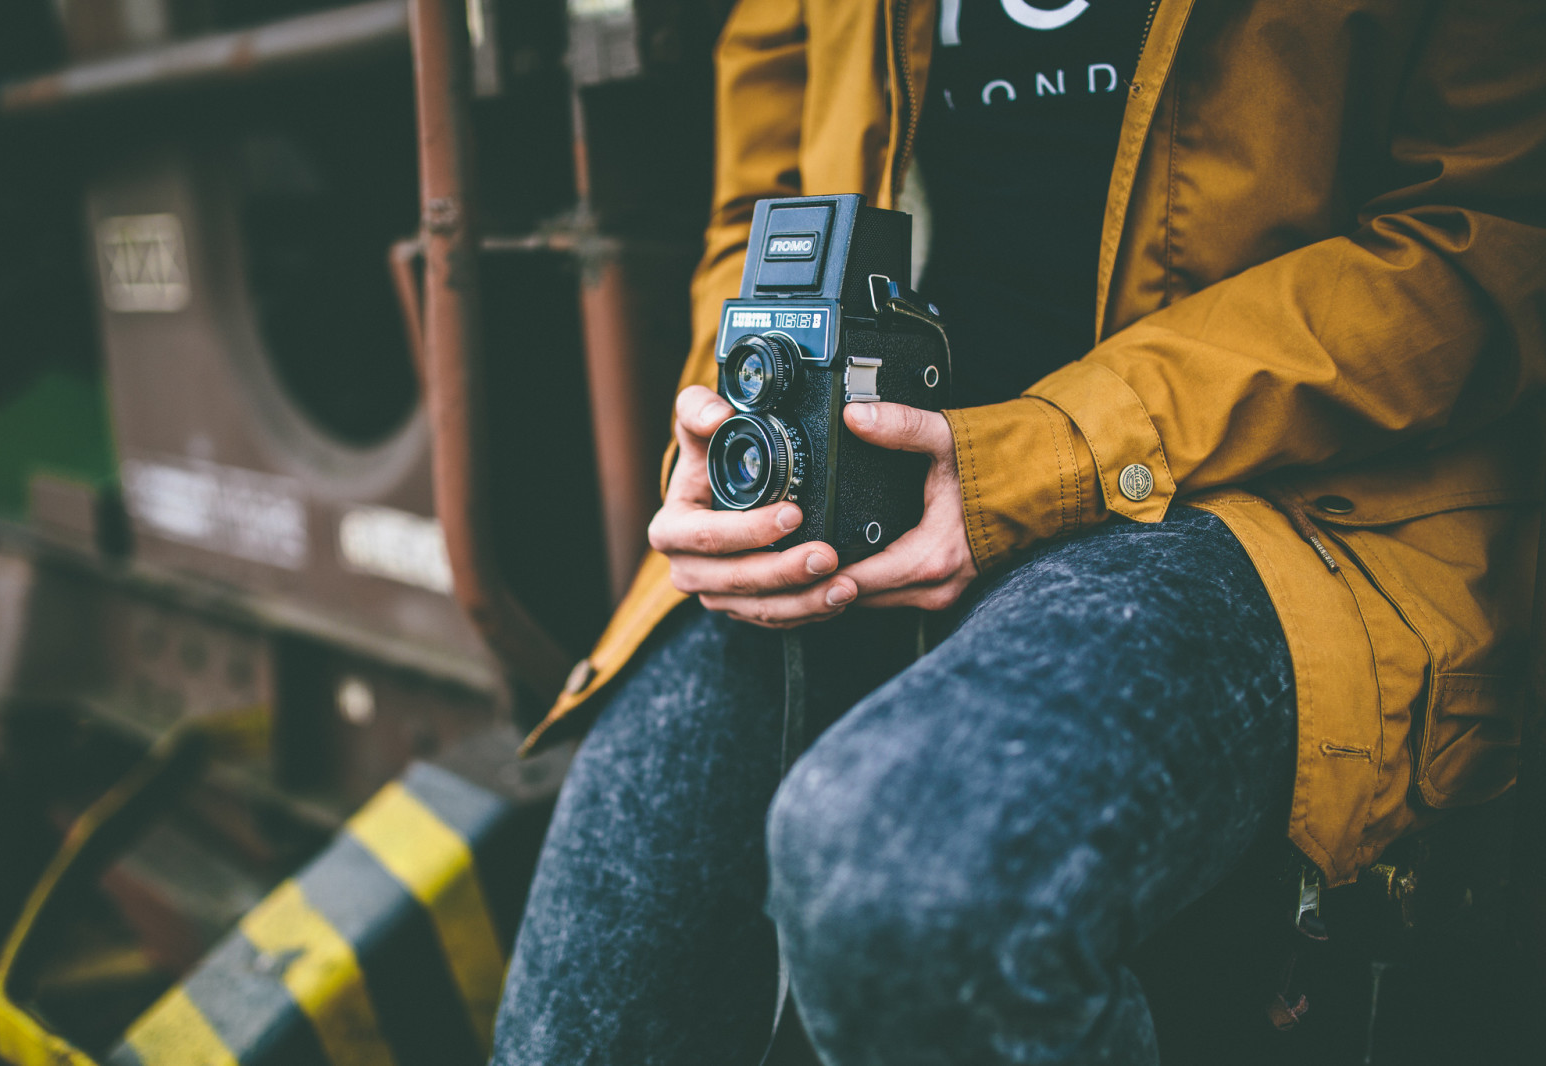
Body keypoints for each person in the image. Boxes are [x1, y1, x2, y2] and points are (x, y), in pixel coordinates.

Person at [492, 1, 1546, 1063]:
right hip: (856, 485)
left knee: (909, 880)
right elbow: (759, 213)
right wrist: (732, 424)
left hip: (1276, 498)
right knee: (579, 1004)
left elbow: (1490, 233)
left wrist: (1051, 457)